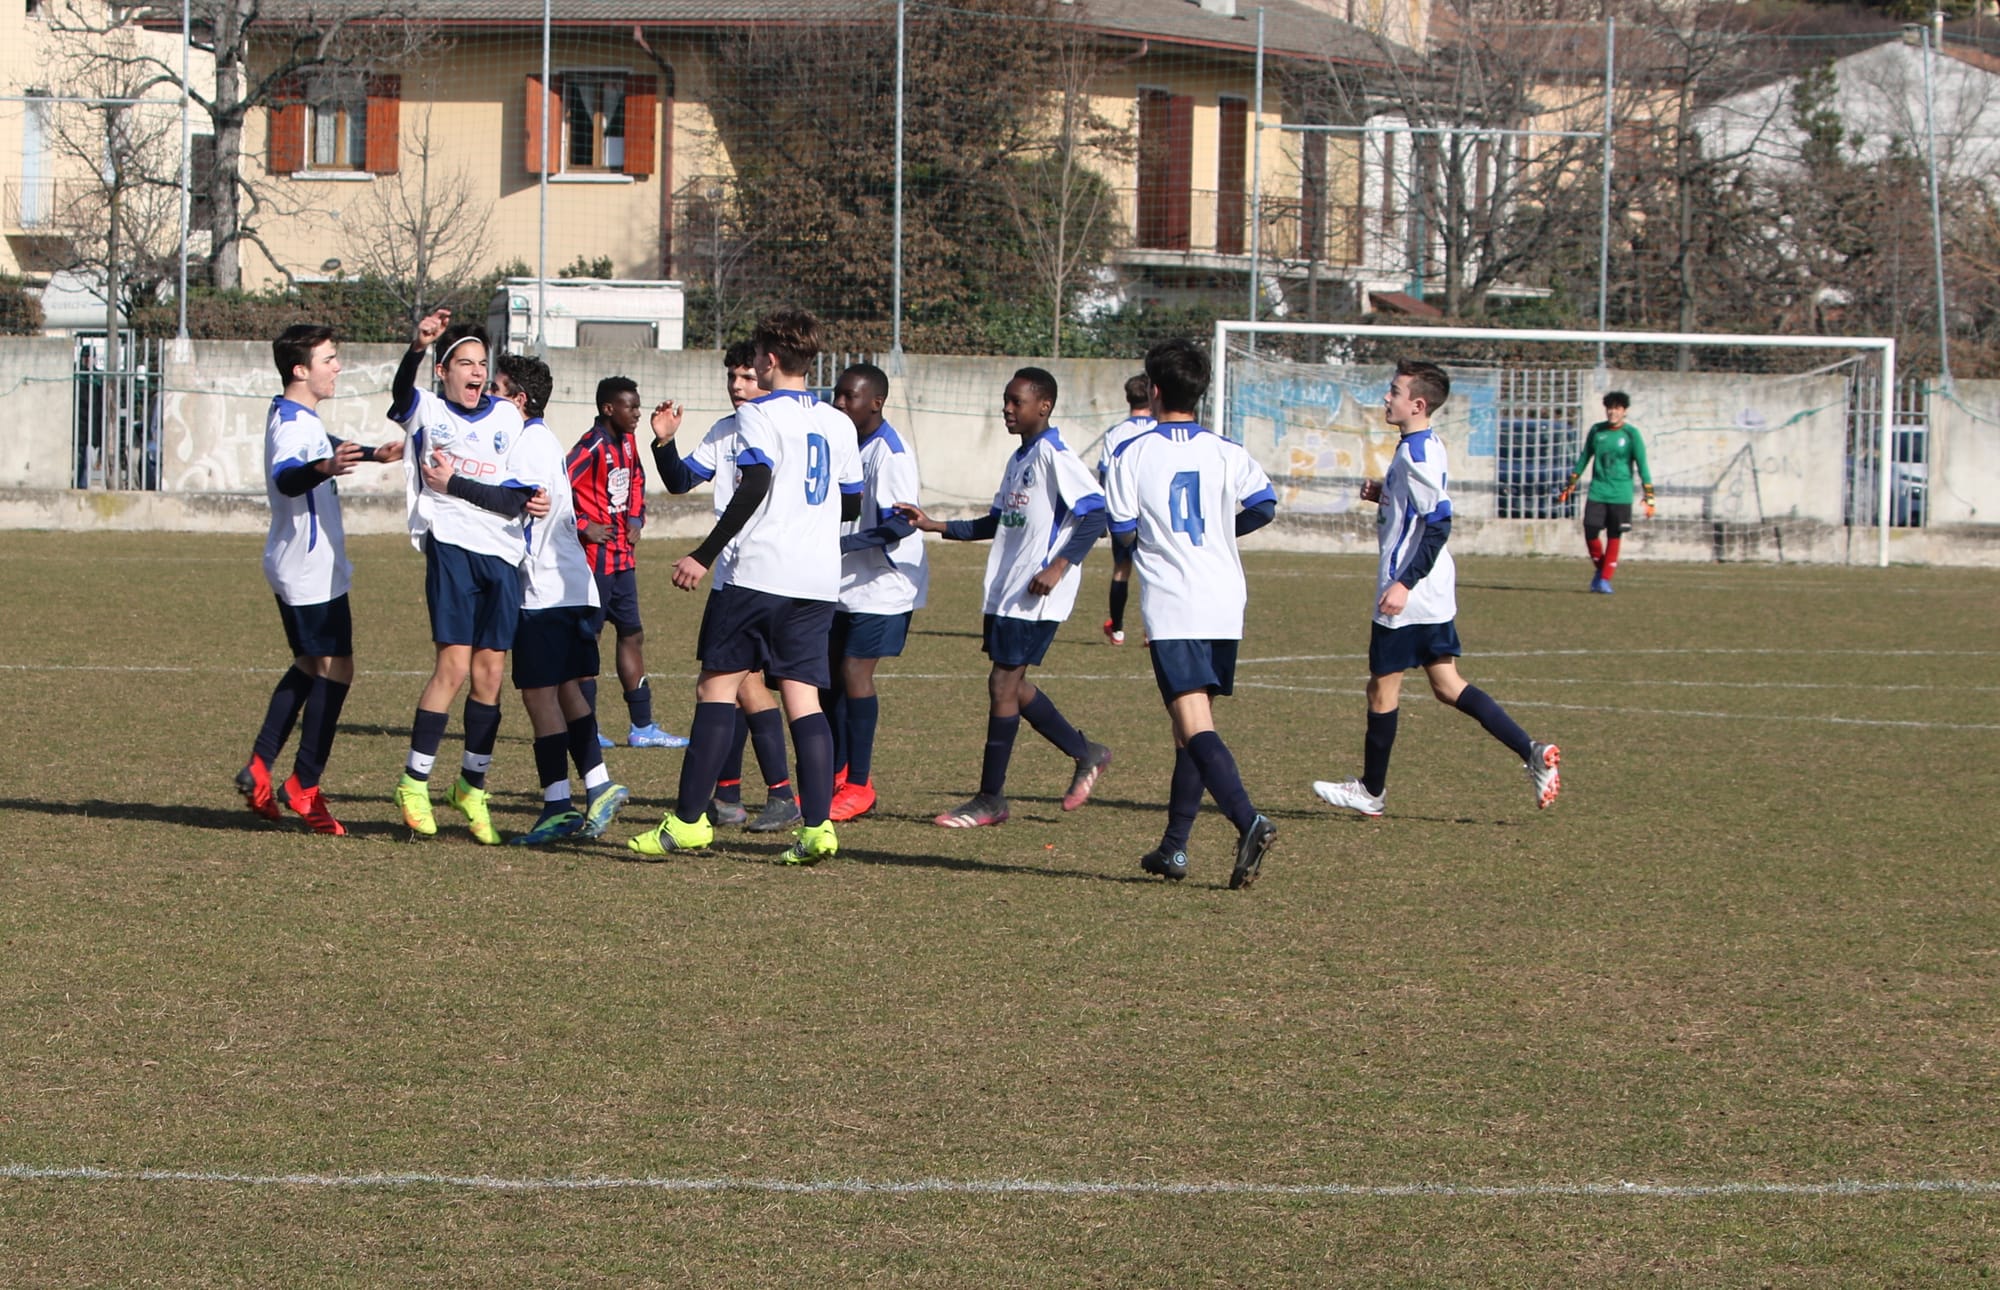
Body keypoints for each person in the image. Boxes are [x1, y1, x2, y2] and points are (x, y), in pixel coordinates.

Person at [628, 306, 863, 864]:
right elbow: (850, 501)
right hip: (817, 581)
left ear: (773, 359)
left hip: (758, 574)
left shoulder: (760, 416)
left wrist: (704, 554)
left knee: (715, 689)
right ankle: (818, 827)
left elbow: (755, 480)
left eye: (756, 359)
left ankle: (687, 822)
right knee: (803, 699)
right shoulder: (837, 421)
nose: (751, 370)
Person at [1312, 360, 1561, 819]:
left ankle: (1371, 791)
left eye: (1394, 392)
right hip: (1434, 589)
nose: (1387, 399)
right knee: (1447, 685)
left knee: (1381, 690)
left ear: (1417, 404)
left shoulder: (1416, 453)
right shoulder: (1422, 445)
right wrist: (1385, 494)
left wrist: (1403, 584)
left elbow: (1439, 520)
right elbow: (1418, 507)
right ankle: (1531, 750)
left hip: (1410, 589)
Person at [897, 367, 1110, 829]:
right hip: (1009, 590)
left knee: (1002, 684)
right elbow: (996, 521)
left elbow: (1096, 513)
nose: (1007, 409)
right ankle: (1085, 751)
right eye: (1006, 401)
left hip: (1036, 592)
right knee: (1012, 686)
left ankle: (990, 798)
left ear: (1044, 406)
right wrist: (934, 525)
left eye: (1017, 402)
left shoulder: (1055, 454)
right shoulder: (1020, 459)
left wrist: (1057, 566)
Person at [1106, 340, 1278, 888]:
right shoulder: (1227, 450)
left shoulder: (1131, 453)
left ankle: (1247, 820)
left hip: (1174, 601)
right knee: (1191, 727)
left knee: (1193, 723)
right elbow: (1265, 505)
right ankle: (1174, 848)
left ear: (1154, 390)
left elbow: (1124, 531)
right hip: (1225, 599)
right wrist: (1221, 532)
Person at [237, 323, 403, 835]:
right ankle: (303, 783)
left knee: (313, 663)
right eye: (329, 359)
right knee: (337, 668)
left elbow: (319, 443)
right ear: (300, 370)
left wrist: (372, 454)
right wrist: (325, 468)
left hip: (303, 565)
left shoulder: (293, 413)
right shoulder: (291, 425)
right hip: (309, 570)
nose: (337, 367)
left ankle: (262, 766)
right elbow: (290, 475)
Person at [389, 308, 547, 845]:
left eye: (483, 363)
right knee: (452, 668)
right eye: (465, 363)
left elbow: (512, 499)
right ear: (443, 371)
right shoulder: (427, 410)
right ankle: (414, 784)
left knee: (489, 676)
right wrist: (418, 345)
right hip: (452, 546)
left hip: (502, 554)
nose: (476, 372)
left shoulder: (508, 419)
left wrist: (521, 496)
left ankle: (470, 788)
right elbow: (399, 393)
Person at [649, 339, 800, 834]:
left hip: (762, 577)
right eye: (732, 377)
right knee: (741, 683)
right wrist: (664, 442)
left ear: (770, 374)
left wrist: (703, 555)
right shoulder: (726, 430)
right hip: (737, 578)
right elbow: (679, 481)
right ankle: (732, 795)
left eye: (747, 377)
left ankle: (779, 795)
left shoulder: (783, 429)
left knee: (737, 684)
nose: (738, 386)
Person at [491, 353, 631, 846]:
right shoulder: (544, 440)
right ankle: (599, 785)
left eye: (498, 389)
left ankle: (556, 805)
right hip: (575, 587)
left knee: (538, 695)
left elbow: (513, 503)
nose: (489, 396)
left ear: (519, 400)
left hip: (545, 592)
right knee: (570, 690)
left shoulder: (528, 444)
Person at [825, 361, 928, 823]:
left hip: (885, 584)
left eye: (850, 396)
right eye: (838, 395)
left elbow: (902, 522)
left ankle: (861, 786)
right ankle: (838, 773)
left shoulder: (890, 453)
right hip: (844, 582)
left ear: (876, 402)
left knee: (854, 672)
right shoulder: (847, 444)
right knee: (828, 677)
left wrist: (843, 543)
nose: (840, 403)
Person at [567, 376, 686, 746]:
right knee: (589, 639)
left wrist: (636, 518)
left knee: (632, 634)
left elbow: (635, 479)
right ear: (608, 409)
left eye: (637, 405)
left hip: (623, 559)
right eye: (630, 407)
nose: (637, 413)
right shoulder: (589, 447)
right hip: (594, 561)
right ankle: (585, 729)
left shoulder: (628, 442)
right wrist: (584, 525)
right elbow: (557, 485)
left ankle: (643, 727)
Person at [1559, 390, 1655, 594]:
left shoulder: (1631, 434)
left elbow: (1642, 464)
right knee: (1590, 530)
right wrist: (1572, 482)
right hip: (1598, 490)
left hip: (1621, 492)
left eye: (1617, 408)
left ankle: (1604, 580)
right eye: (1609, 408)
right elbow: (1585, 457)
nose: (1612, 412)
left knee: (1614, 534)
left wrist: (1649, 495)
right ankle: (1602, 570)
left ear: (1624, 411)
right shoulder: (1597, 431)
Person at [1098, 372, 1155, 646]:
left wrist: (1103, 511)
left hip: (1123, 511)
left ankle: (1118, 630)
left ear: (1127, 397)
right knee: (1153, 570)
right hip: (1153, 511)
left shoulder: (1116, 433)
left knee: (1122, 568)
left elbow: (1105, 476)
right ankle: (1151, 631)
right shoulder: (1159, 428)